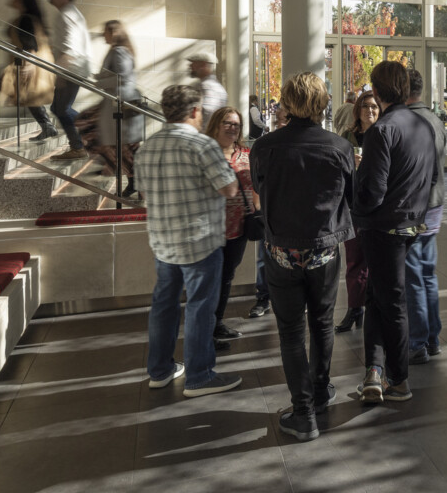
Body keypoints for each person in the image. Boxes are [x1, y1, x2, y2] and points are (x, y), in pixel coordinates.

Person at [250, 72, 356, 442]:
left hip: (281, 251)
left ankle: (302, 411)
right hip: (324, 250)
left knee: (291, 331)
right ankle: (322, 390)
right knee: (323, 324)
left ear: (287, 103)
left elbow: (261, 191)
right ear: (322, 102)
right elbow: (351, 199)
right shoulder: (338, 147)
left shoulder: (264, 148)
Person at [136, 83, 240, 397]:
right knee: (199, 308)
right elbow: (229, 189)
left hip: (163, 242)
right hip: (200, 242)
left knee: (163, 306)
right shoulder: (202, 145)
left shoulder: (147, 146)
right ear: (195, 111)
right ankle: (199, 376)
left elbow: (142, 193)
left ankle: (160, 370)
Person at [353, 61, 436, 405]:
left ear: (376, 89)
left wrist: (354, 202)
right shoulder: (423, 125)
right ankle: (374, 371)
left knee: (390, 301)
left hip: (382, 227)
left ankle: (398, 379)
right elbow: (429, 180)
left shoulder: (381, 131)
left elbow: (372, 191)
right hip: (411, 224)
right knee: (379, 295)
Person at [403, 68, 446, 365]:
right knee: (428, 274)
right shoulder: (435, 119)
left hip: (414, 208)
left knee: (413, 276)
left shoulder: (408, 121)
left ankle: (418, 341)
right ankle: (433, 339)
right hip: (434, 207)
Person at [205, 106, 254, 352]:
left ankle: (217, 323)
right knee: (211, 280)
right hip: (211, 228)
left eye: (236, 124)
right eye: (228, 123)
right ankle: (207, 331)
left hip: (240, 227)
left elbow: (255, 184)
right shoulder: (207, 152)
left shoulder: (245, 153)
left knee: (226, 278)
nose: (233, 128)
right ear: (215, 124)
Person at [333, 90, 381, 334]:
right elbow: (335, 170)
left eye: (374, 106)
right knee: (354, 261)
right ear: (357, 110)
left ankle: (373, 309)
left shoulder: (385, 134)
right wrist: (351, 163)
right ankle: (354, 309)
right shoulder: (346, 137)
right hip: (352, 208)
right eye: (365, 106)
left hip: (378, 211)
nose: (369, 111)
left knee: (377, 264)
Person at [92, 20, 145, 198]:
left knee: (126, 147)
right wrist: (99, 77)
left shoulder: (119, 51)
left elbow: (122, 78)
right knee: (125, 148)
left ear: (113, 32)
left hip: (122, 105)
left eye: (105, 31)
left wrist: (99, 82)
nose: (103, 35)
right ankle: (134, 184)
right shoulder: (119, 50)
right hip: (120, 104)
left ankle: (137, 184)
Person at [2, 0, 59, 140]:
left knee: (30, 96)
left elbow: (30, 43)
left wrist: (29, 64)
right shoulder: (28, 18)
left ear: (22, 0)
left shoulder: (26, 19)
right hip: (32, 59)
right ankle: (47, 126)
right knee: (29, 96)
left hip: (31, 59)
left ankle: (48, 126)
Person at [47, 0, 91, 159]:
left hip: (71, 68)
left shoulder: (67, 14)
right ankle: (81, 141)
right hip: (74, 68)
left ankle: (82, 142)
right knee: (59, 108)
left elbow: (70, 47)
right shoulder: (71, 13)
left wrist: (60, 73)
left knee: (61, 108)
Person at [188, 50, 227, 120]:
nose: (190, 65)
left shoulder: (207, 86)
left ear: (203, 65)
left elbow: (208, 112)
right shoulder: (210, 84)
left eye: (193, 63)